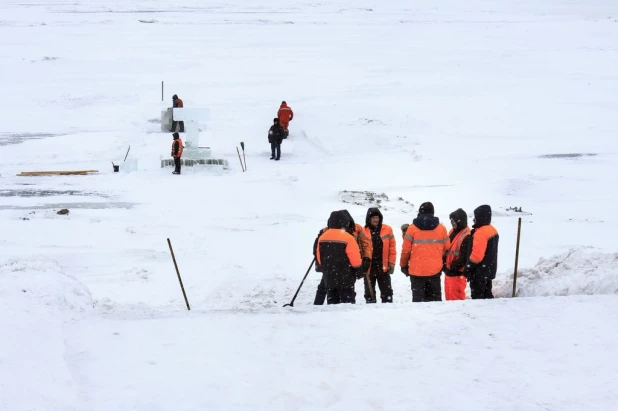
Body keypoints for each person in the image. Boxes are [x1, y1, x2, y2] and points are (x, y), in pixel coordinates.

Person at [313, 210, 372, 305]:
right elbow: (355, 259)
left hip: (330, 275)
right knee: (347, 304)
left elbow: (318, 256)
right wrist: (359, 270)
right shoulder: (348, 237)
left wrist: (324, 267)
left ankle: (322, 310)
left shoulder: (323, 236)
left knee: (332, 302)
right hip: (346, 276)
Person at [400, 202, 450, 302]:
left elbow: (406, 250)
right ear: (433, 212)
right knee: (435, 303)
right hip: (435, 271)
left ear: (420, 212)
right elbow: (447, 248)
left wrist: (403, 265)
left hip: (416, 271)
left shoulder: (411, 228)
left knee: (418, 304)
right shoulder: (441, 228)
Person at [464, 205, 499, 299]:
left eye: (475, 217)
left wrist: (468, 267)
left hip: (479, 273)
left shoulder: (481, 233)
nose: (473, 219)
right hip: (488, 270)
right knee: (487, 296)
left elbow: (477, 256)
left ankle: (479, 314)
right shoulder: (492, 229)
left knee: (478, 299)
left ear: (480, 217)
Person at [363, 208, 396, 303]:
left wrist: (391, 262)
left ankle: (388, 313)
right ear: (369, 219)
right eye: (373, 217)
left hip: (383, 267)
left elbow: (392, 248)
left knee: (387, 293)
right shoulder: (363, 231)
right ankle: (371, 313)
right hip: (369, 267)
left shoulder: (387, 229)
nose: (376, 220)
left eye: (377, 217)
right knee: (369, 294)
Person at [443, 208, 471, 300]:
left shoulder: (467, 235)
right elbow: (447, 249)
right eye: (451, 221)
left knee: (457, 302)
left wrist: (454, 267)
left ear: (460, 221)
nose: (452, 223)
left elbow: (465, 257)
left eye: (454, 221)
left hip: (457, 274)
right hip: (449, 272)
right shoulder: (452, 232)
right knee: (449, 298)